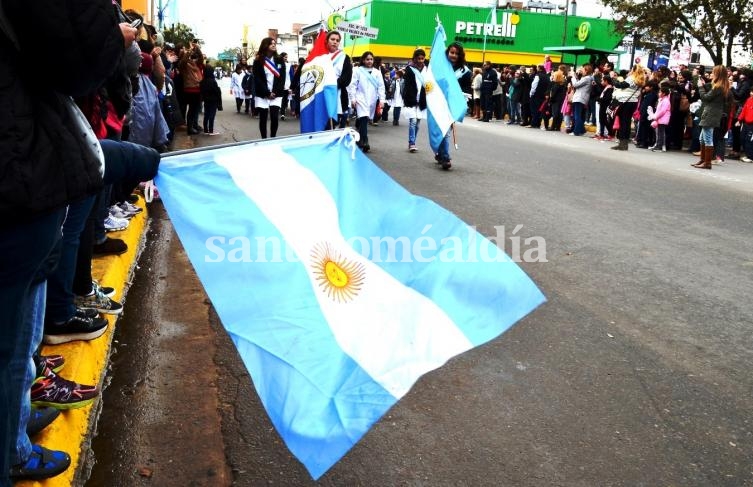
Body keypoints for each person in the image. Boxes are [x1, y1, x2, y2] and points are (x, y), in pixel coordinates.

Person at [0, 0, 135, 482]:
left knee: (22, 342)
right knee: (12, 344)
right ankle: (12, 447)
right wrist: (116, 38)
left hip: (26, 175)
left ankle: (16, 419)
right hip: (18, 183)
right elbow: (81, 57)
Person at [434, 42, 470, 169]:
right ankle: (442, 154)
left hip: (452, 105)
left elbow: (466, 90)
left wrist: (457, 94)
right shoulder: (441, 67)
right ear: (447, 52)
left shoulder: (464, 71)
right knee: (440, 130)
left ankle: (443, 155)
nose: (453, 55)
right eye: (452, 52)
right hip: (439, 102)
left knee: (446, 131)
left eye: (456, 53)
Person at [691, 65, 730, 169]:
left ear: (718, 74)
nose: (711, 74)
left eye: (713, 72)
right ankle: (703, 160)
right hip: (710, 113)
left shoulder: (718, 86)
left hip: (711, 114)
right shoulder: (719, 85)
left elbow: (705, 97)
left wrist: (700, 87)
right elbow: (709, 89)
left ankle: (707, 162)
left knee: (707, 138)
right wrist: (703, 85)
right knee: (702, 138)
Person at [347, 51, 385, 153]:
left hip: (372, 99)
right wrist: (353, 99)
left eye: (371, 59)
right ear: (363, 60)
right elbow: (353, 85)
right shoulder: (358, 71)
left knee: (365, 120)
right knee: (363, 118)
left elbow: (381, 87)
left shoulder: (377, 72)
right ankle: (365, 141)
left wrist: (382, 100)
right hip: (360, 98)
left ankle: (360, 140)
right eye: (367, 59)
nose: (369, 61)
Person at [252, 37, 286, 139]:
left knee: (274, 117)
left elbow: (282, 78)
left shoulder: (279, 60)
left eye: (274, 43)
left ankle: (272, 138)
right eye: (271, 43)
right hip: (263, 94)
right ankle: (264, 139)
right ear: (265, 45)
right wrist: (267, 93)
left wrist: (274, 92)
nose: (274, 45)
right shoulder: (258, 61)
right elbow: (257, 79)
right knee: (263, 118)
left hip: (276, 94)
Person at [610, 65, 646, 151]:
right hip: (632, 102)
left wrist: (613, 78)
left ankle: (622, 144)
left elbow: (619, 85)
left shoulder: (632, 78)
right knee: (626, 122)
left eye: (631, 69)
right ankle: (623, 143)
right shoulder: (640, 80)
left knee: (623, 123)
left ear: (634, 70)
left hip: (625, 102)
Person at [324, 31, 353, 129]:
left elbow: (346, 79)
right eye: (332, 39)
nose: (335, 42)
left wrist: (331, 85)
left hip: (338, 95)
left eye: (337, 40)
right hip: (321, 93)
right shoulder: (320, 56)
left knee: (333, 123)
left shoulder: (344, 57)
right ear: (327, 41)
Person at [402, 49, 428, 152]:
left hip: (422, 100)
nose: (421, 60)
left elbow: (429, 84)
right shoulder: (409, 69)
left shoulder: (427, 70)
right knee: (412, 121)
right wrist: (408, 98)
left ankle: (413, 141)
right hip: (412, 99)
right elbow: (407, 86)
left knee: (417, 123)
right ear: (415, 59)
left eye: (422, 58)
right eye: (419, 58)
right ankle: (411, 143)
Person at [568, 64, 593, 136]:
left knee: (577, 115)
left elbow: (575, 84)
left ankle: (576, 131)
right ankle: (582, 130)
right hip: (581, 98)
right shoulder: (588, 78)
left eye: (583, 70)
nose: (582, 71)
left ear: (586, 70)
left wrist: (573, 76)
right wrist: (576, 75)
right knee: (578, 115)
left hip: (580, 98)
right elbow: (578, 83)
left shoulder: (587, 78)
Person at [200, 65, 223, 135]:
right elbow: (216, 90)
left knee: (206, 114)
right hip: (213, 100)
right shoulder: (212, 81)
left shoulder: (203, 81)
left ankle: (205, 130)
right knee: (212, 115)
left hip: (206, 100)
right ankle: (211, 130)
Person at [648, 85, 671, 151]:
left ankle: (659, 145)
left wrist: (656, 117)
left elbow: (662, 111)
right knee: (659, 132)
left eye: (660, 92)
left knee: (660, 132)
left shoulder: (666, 101)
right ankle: (658, 144)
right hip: (660, 118)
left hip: (662, 119)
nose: (659, 93)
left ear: (663, 93)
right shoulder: (661, 100)